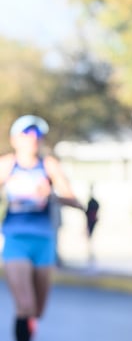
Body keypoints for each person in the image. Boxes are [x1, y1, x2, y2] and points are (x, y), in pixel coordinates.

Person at [0, 115, 91, 341]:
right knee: (26, 305)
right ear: (14, 139)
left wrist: (51, 194)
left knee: (37, 311)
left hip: (44, 241)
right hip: (15, 240)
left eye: (38, 134)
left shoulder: (49, 165)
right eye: (28, 134)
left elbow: (74, 200)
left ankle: (27, 328)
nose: (33, 139)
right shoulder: (7, 165)